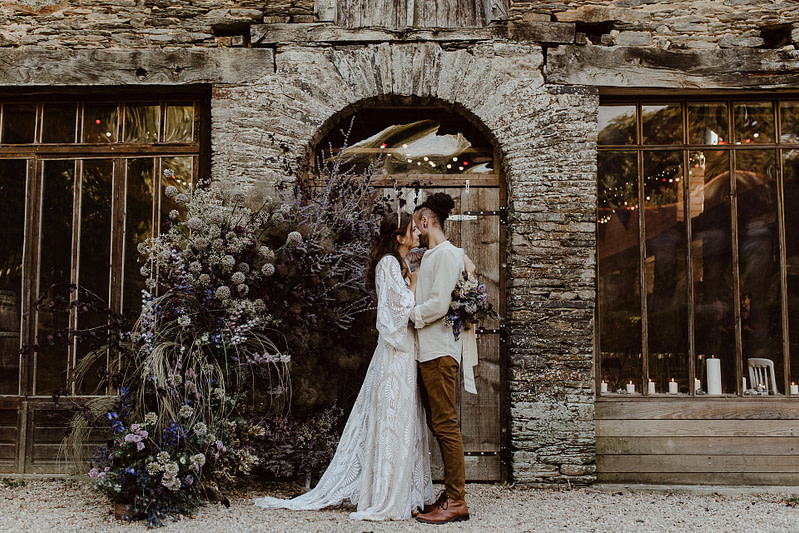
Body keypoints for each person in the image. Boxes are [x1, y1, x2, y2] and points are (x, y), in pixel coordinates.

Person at [253, 212, 435, 520]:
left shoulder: (402, 263)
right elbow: (398, 310)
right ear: (399, 238)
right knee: (392, 418)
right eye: (412, 230)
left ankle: (407, 489)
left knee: (403, 418)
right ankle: (386, 495)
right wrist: (416, 284)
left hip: (405, 352)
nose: (418, 233)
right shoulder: (389, 264)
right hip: (395, 353)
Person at [410, 192, 471, 524]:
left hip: (439, 351)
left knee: (446, 424)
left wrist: (409, 315)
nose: (416, 233)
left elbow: (440, 304)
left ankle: (457, 500)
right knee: (438, 423)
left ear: (424, 220)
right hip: (427, 351)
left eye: (417, 226)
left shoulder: (447, 255)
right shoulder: (433, 256)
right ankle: (449, 493)